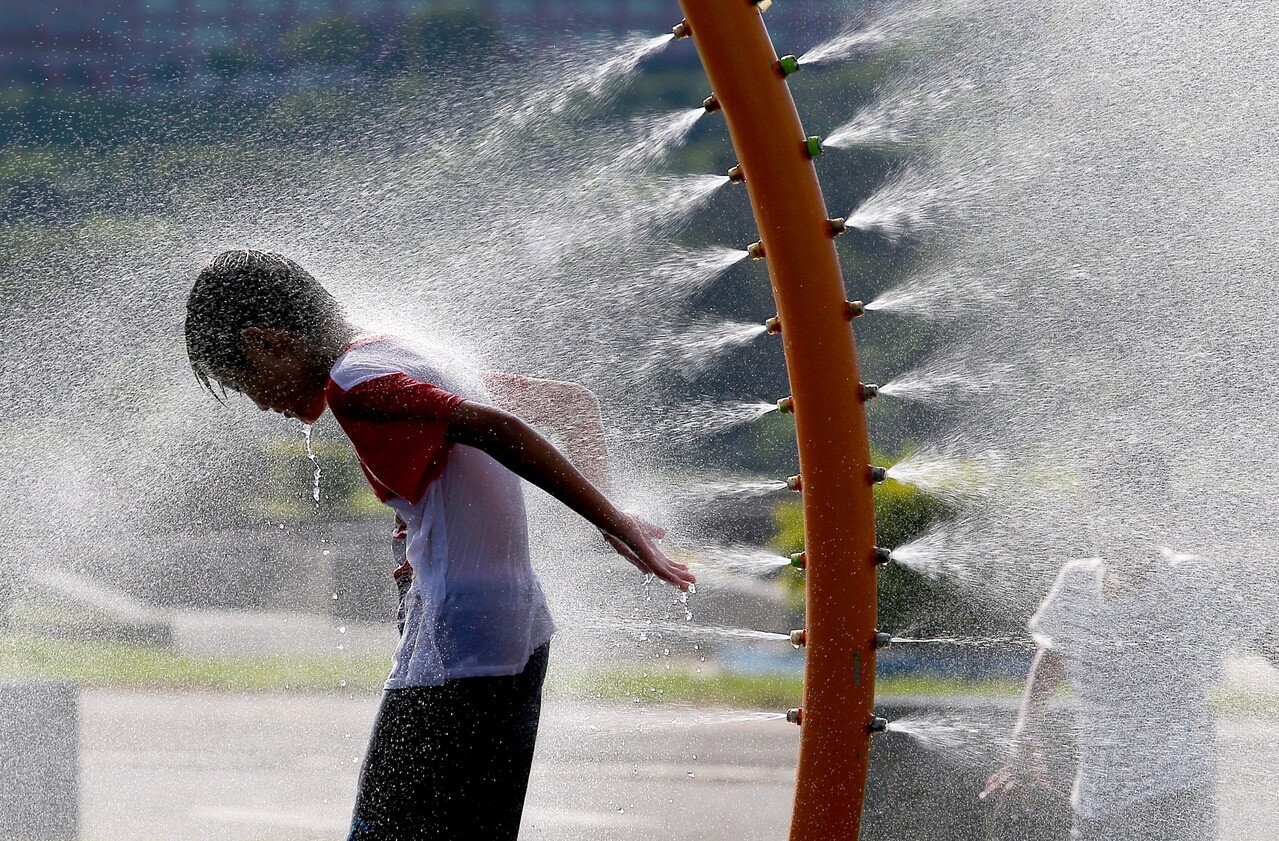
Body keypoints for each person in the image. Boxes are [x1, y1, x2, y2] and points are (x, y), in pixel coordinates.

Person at [184, 249, 694, 841]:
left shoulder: (357, 384)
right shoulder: (399, 350)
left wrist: (612, 522)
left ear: (268, 344)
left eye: (245, 383)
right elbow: (569, 402)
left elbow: (500, 429)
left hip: (458, 641)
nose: (259, 402)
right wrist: (607, 505)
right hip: (520, 631)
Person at [980, 538, 1262, 841]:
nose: (1108, 533)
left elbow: (1262, 638)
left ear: (1157, 520)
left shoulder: (1189, 576)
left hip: (1175, 792)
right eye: (1099, 517)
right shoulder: (1078, 578)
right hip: (1096, 799)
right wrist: (1024, 738)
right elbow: (1052, 654)